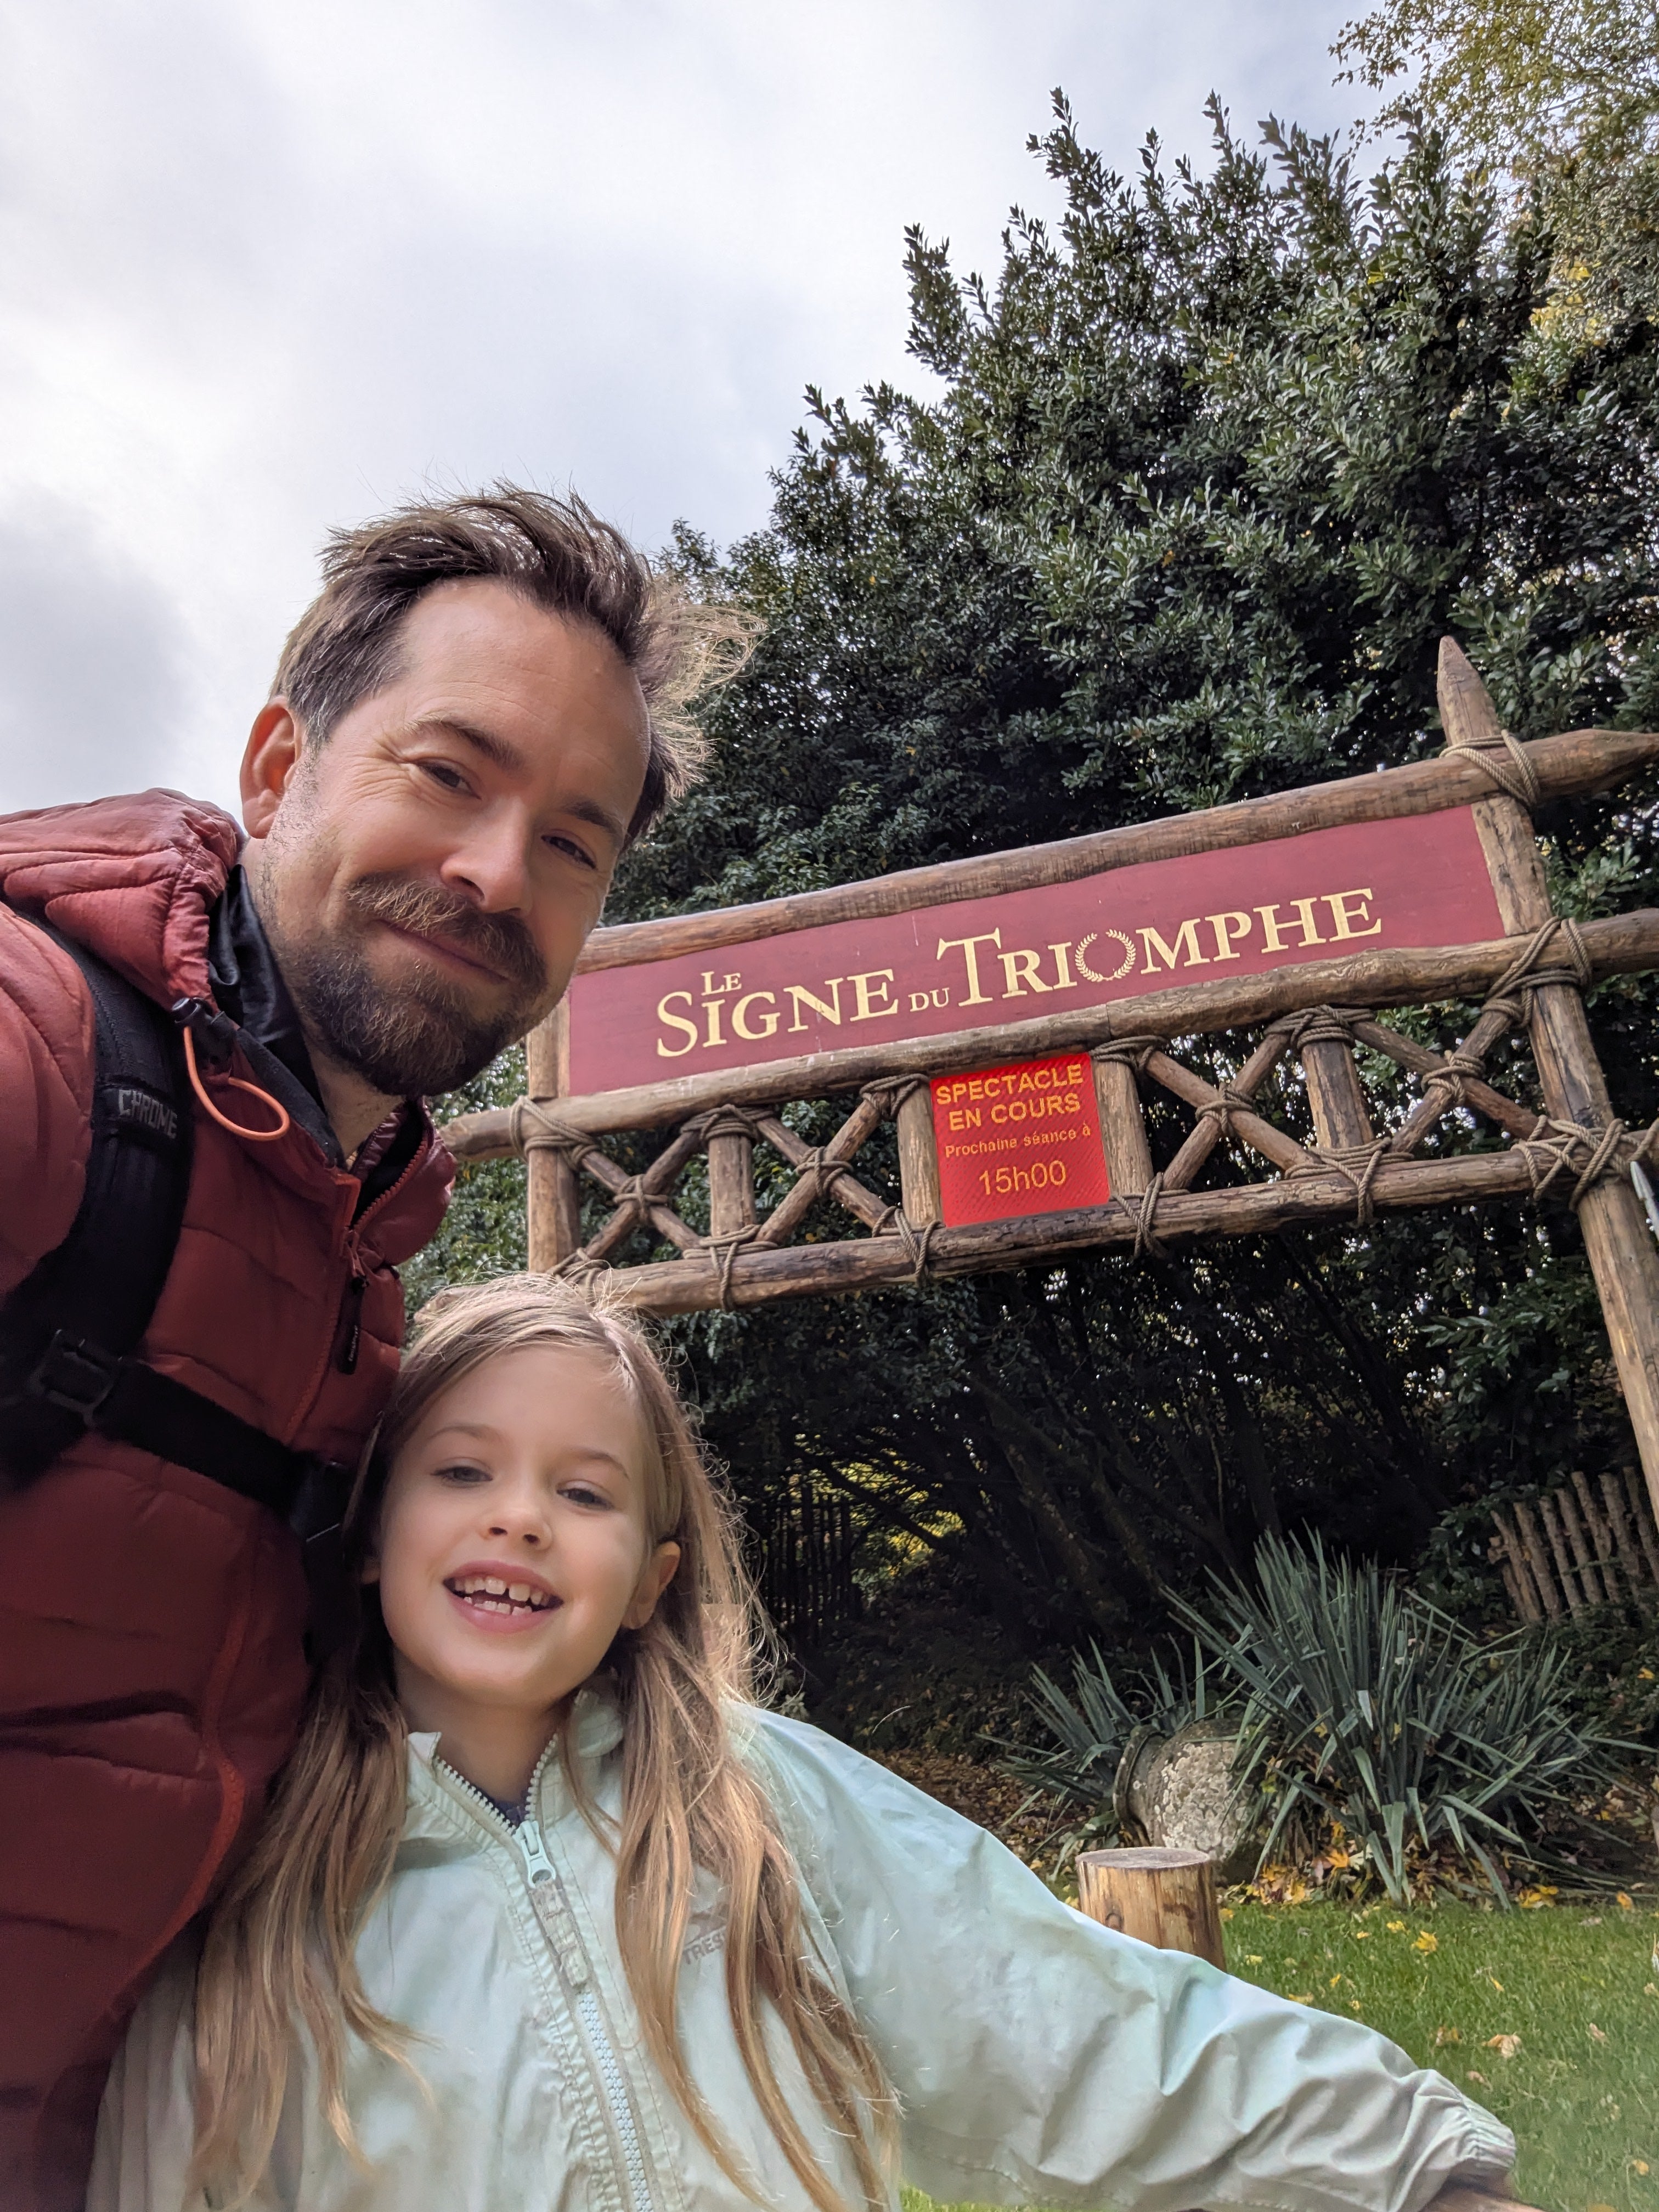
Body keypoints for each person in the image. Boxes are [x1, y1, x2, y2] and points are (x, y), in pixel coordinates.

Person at [89, 1273, 1521, 2212]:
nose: (519, 1517)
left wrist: (1412, 2165)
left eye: (584, 1493)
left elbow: (1064, 2022)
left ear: (649, 1581)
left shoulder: (755, 1800)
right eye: (462, 1471)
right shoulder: (256, 1889)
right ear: (366, 1536)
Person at [0, 490, 732, 2210]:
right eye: (449, 772)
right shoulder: (43, 1053)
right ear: (278, 771)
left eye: (573, 844)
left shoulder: (364, 1269)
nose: (496, 874)